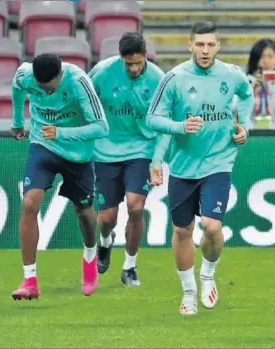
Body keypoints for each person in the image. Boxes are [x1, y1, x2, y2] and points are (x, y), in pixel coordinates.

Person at [145, 21, 253, 315]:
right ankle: (189, 292)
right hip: (183, 167)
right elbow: (152, 119)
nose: (205, 51)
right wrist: (179, 126)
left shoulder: (231, 75)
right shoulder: (174, 78)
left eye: (211, 45)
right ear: (190, 46)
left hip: (219, 162)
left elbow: (246, 95)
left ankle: (207, 274)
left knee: (212, 225)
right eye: (200, 45)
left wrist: (243, 125)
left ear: (218, 46)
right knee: (182, 231)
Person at [10, 53, 109, 300]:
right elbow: (17, 89)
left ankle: (89, 255)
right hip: (42, 145)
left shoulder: (78, 81)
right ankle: (29, 280)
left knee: (84, 213)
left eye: (50, 87)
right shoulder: (25, 75)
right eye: (40, 88)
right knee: (29, 204)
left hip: (78, 154)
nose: (45, 92)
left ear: (60, 76)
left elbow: (101, 127)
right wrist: (17, 122)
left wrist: (61, 133)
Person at [89, 32, 165, 286]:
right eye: (128, 63)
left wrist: (157, 161)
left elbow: (165, 122)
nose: (133, 69)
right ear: (121, 59)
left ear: (145, 56)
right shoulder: (101, 73)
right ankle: (105, 242)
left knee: (135, 206)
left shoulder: (158, 80)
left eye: (137, 63)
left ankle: (130, 267)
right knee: (107, 218)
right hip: (105, 151)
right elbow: (84, 103)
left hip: (141, 150)